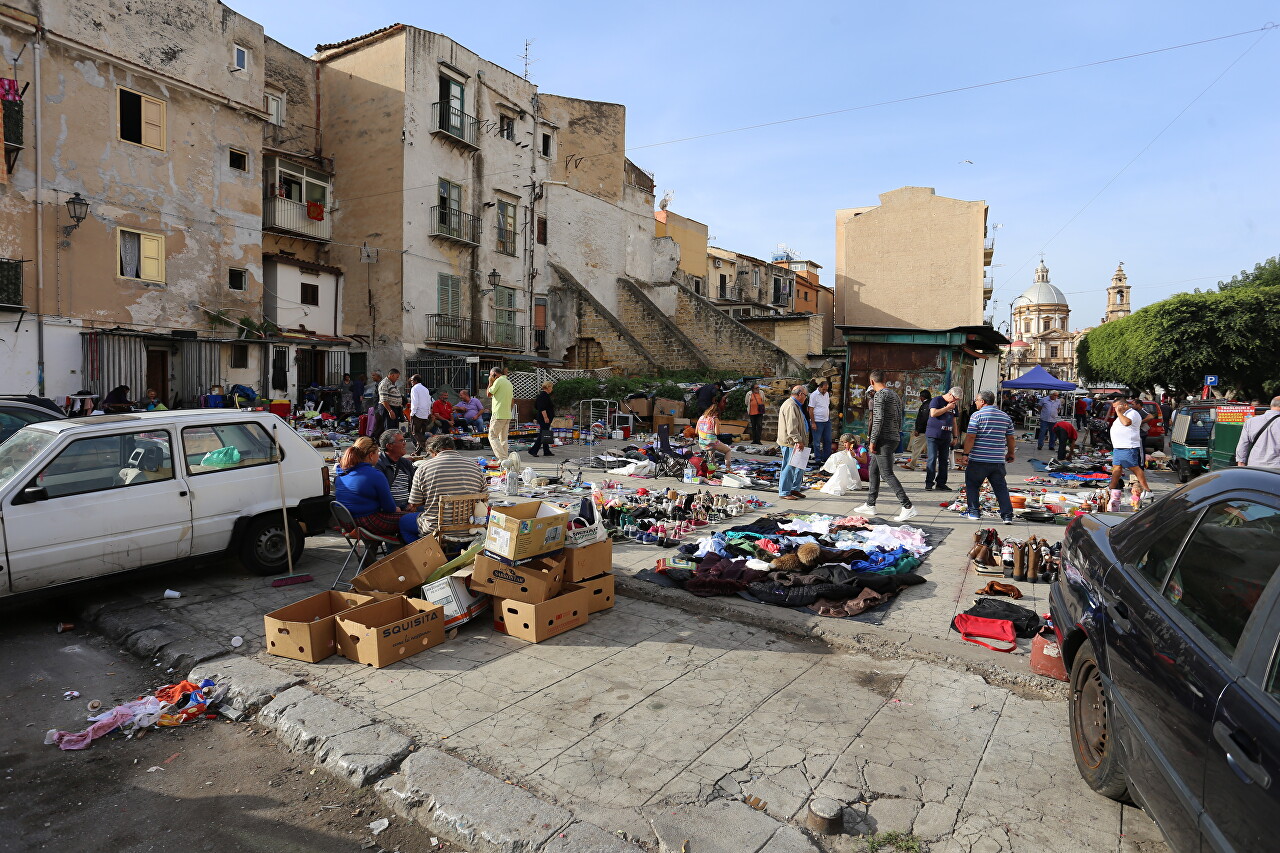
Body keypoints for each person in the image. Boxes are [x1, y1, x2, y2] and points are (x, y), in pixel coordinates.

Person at [853, 370, 916, 521]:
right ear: (885, 380)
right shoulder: (894, 395)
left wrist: (872, 441)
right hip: (893, 436)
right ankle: (870, 504)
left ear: (871, 382)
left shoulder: (880, 395)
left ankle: (908, 506)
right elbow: (900, 416)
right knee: (873, 469)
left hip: (883, 439)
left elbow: (878, 419)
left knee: (887, 473)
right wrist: (897, 432)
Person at [400, 434, 488, 542]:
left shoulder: (424, 468)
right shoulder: (475, 467)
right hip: (470, 528)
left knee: (403, 522)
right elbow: (484, 499)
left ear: (434, 451)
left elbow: (414, 503)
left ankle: (425, 553)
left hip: (436, 529)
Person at [958, 390, 1016, 523]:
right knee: (1000, 488)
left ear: (983, 401)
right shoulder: (1005, 417)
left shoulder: (976, 416)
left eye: (977, 400)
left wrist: (966, 454)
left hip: (978, 460)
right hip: (997, 461)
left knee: (972, 485)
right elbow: (1011, 437)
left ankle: (974, 512)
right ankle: (1007, 516)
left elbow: (971, 436)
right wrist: (1011, 453)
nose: (975, 402)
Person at [334, 436, 404, 539]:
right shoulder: (375, 475)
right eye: (377, 453)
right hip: (365, 522)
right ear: (371, 455)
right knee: (416, 519)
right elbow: (389, 508)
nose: (379, 456)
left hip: (346, 523)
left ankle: (373, 552)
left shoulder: (341, 474)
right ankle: (403, 552)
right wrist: (398, 509)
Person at [1108, 397, 1152, 510]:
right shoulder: (1122, 414)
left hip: (1128, 446)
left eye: (1117, 407)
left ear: (1125, 405)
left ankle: (1147, 491)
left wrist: (1118, 412)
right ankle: (1111, 488)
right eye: (1114, 408)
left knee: (1134, 468)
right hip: (1119, 447)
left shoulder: (1132, 413)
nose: (1115, 409)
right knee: (1116, 468)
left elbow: (1127, 423)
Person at [776, 385, 810, 500]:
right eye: (805, 395)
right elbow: (792, 427)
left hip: (798, 441)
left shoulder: (796, 405)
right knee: (789, 466)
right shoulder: (791, 405)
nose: (806, 398)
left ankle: (795, 488)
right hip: (791, 442)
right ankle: (784, 492)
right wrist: (798, 440)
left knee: (799, 466)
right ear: (800, 394)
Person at [925, 386, 962, 491]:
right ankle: (929, 482)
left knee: (944, 460)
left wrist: (955, 436)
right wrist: (947, 408)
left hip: (946, 436)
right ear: (950, 394)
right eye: (955, 399)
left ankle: (941, 483)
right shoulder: (937, 400)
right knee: (932, 459)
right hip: (934, 435)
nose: (955, 402)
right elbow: (933, 413)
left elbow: (954, 422)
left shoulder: (953, 406)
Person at [374, 429, 417, 509]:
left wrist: (413, 503)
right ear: (389, 446)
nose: (405, 443)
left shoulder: (406, 463)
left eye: (404, 440)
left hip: (408, 505)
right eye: (401, 441)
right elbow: (380, 493)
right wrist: (393, 508)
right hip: (390, 508)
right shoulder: (378, 464)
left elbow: (416, 485)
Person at [1235, 396, 1280, 471]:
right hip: (1276, 467)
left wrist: (1241, 463)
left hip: (1255, 466)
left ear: (1271, 405)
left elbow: (1242, 445)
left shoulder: (1250, 422)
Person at [486, 365, 513, 459]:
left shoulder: (498, 381)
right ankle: (505, 460)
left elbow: (489, 394)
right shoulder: (508, 382)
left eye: (490, 375)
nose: (490, 377)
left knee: (492, 436)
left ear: (494, 374)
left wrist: (490, 382)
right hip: (507, 414)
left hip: (498, 414)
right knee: (503, 439)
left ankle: (503, 458)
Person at [696, 403, 734, 468]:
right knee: (728, 450)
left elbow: (696, 431)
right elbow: (717, 433)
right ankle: (728, 467)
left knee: (711, 448)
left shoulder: (701, 417)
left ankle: (713, 465)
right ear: (716, 413)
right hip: (711, 442)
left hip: (702, 443)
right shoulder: (714, 419)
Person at [901, 390, 931, 471]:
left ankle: (912, 464)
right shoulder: (930, 404)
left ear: (922, 397)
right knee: (931, 449)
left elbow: (923, 419)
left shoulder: (926, 406)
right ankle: (931, 466)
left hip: (924, 431)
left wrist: (918, 430)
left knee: (916, 446)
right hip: (930, 430)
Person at [808, 380, 833, 466]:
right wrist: (813, 422)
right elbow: (810, 409)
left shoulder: (826, 394)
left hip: (826, 421)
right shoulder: (814, 395)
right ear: (819, 387)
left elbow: (827, 406)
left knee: (828, 440)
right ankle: (818, 458)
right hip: (817, 421)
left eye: (826, 389)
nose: (825, 391)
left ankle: (826, 458)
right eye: (823, 389)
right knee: (817, 442)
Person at [529, 381, 556, 458]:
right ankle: (533, 450)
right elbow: (542, 408)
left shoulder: (544, 395)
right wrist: (546, 417)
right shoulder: (543, 396)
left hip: (545, 418)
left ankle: (546, 450)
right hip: (544, 418)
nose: (552, 389)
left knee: (545, 433)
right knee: (542, 434)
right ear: (548, 387)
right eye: (551, 387)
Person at [407, 374, 433, 451]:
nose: (411, 382)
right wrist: (428, 412)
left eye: (412, 380)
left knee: (415, 432)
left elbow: (415, 402)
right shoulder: (425, 389)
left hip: (418, 413)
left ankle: (427, 448)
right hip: (425, 414)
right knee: (421, 433)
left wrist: (412, 413)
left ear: (415, 381)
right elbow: (429, 402)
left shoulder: (414, 388)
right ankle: (418, 451)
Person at [377, 369, 403, 433]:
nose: (397, 379)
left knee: (394, 429)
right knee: (389, 429)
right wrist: (390, 411)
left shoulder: (392, 383)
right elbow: (384, 399)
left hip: (395, 409)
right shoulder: (384, 384)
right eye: (397, 377)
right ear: (392, 375)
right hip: (388, 409)